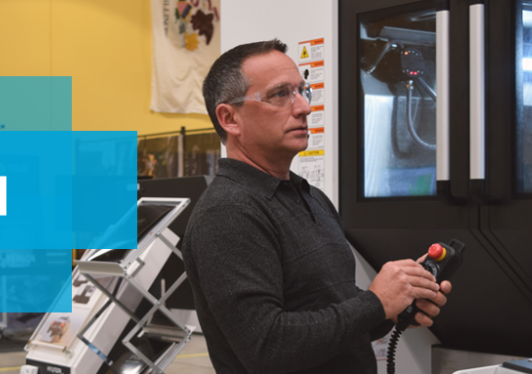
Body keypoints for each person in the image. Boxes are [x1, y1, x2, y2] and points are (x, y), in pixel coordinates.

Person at [181, 39, 453, 374]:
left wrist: (393, 307)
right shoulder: (228, 214)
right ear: (230, 118)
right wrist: (375, 302)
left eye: (302, 91)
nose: (304, 107)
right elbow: (268, 346)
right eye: (280, 94)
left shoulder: (311, 198)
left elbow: (333, 320)